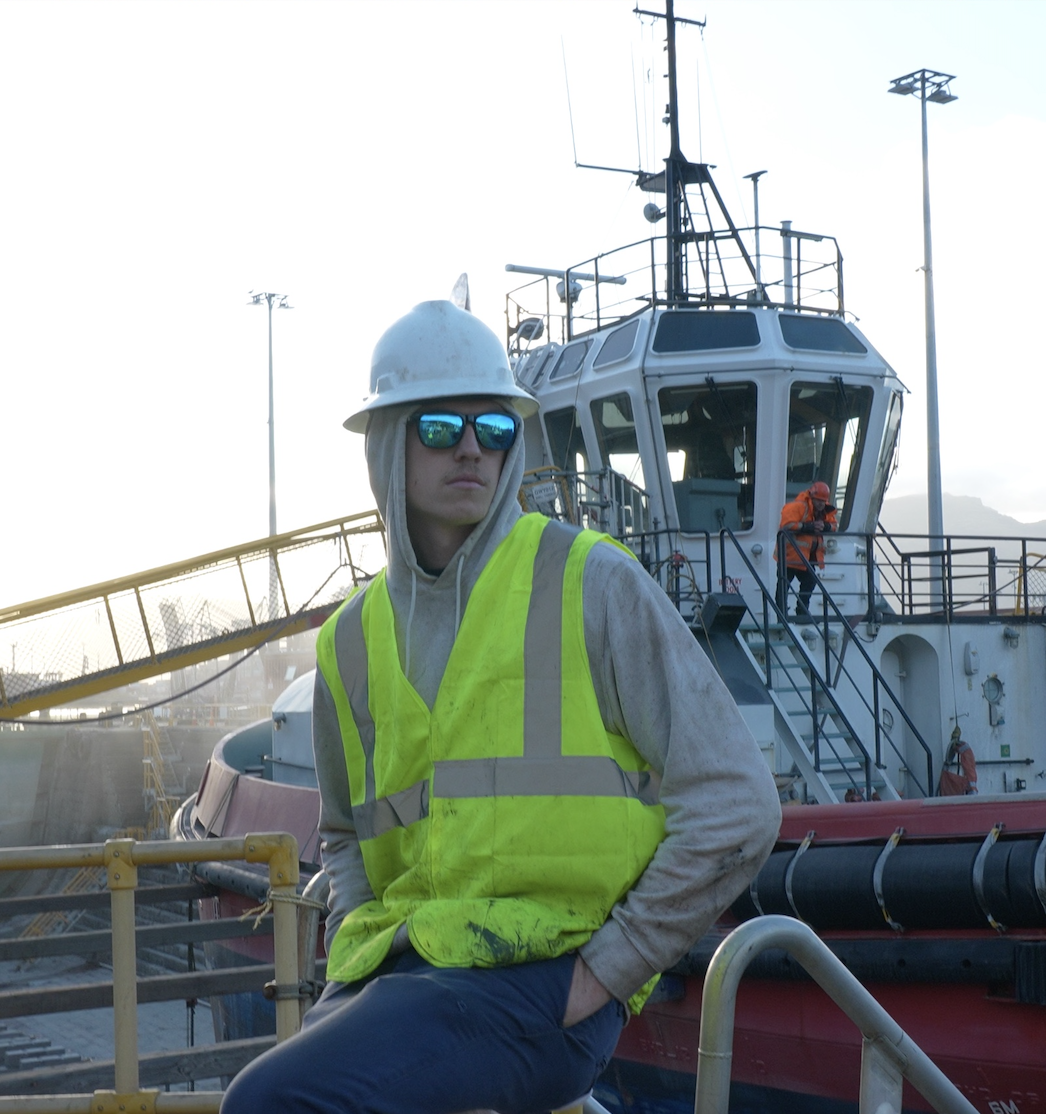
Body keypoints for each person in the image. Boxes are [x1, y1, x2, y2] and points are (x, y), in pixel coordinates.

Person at [221, 299, 781, 1114]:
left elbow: (738, 801)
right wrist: (366, 929)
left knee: (270, 1103)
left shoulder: (592, 582)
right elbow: (346, 831)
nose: (475, 449)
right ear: (389, 446)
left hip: (542, 981)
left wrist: (606, 973)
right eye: (443, 428)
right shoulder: (350, 639)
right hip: (408, 968)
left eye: (498, 428)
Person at [775, 480, 838, 619]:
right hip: (789, 555)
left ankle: (802, 611)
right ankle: (781, 615)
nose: (821, 504)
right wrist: (807, 527)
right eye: (818, 500)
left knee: (809, 581)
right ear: (812, 497)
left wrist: (825, 527)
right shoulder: (796, 507)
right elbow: (786, 525)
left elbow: (834, 525)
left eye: (823, 501)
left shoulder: (824, 510)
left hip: (805, 557)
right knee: (783, 585)